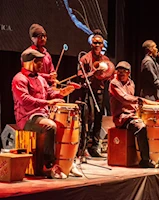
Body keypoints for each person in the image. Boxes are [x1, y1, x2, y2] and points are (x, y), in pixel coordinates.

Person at [12, 49, 76, 179]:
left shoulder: (40, 78)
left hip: (42, 114)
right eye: (38, 62)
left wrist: (63, 92)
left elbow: (50, 93)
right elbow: (25, 100)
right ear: (29, 62)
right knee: (50, 126)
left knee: (63, 125)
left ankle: (65, 162)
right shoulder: (19, 79)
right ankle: (48, 165)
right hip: (27, 117)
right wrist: (48, 102)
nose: (42, 64)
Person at [109, 61, 159, 168]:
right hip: (122, 118)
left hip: (132, 115)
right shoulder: (114, 83)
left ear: (128, 73)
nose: (120, 73)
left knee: (151, 125)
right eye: (118, 71)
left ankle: (156, 157)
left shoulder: (131, 83)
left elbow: (132, 103)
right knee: (141, 127)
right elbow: (125, 99)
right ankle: (145, 160)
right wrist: (145, 101)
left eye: (123, 71)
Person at [79, 29, 111, 157]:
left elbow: (109, 73)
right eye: (95, 43)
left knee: (99, 119)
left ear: (103, 45)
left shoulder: (105, 59)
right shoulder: (85, 58)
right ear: (91, 44)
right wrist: (93, 73)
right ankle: (84, 146)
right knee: (89, 119)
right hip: (89, 92)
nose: (97, 45)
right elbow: (80, 75)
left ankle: (95, 146)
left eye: (99, 43)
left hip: (101, 92)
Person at [140, 40, 159, 166]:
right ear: (150, 49)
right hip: (149, 97)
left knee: (156, 129)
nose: (157, 49)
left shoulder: (152, 61)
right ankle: (150, 156)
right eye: (155, 47)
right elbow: (154, 79)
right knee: (151, 129)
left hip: (153, 96)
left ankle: (156, 156)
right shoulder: (147, 62)